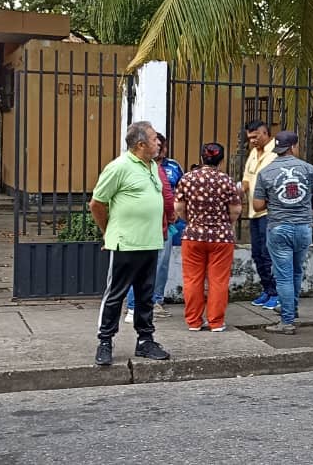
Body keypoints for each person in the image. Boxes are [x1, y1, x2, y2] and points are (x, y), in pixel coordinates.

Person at [91, 121, 171, 366]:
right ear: (140, 144)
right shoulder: (119, 167)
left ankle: (145, 340)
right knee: (115, 295)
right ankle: (105, 341)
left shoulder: (152, 167)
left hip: (150, 243)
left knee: (146, 295)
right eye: (154, 138)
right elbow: (97, 203)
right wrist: (108, 232)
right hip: (126, 243)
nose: (159, 142)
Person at [252, 131, 313, 334]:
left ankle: (287, 321)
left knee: (283, 276)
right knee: (295, 272)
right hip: (303, 228)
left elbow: (257, 205)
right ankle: (290, 309)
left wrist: (274, 199)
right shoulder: (307, 169)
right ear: (293, 147)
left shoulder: (265, 172)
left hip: (278, 228)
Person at [177, 143, 241, 332]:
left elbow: (179, 208)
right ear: (221, 160)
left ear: (202, 158)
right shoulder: (226, 180)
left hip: (193, 236)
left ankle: (194, 321)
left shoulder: (187, 179)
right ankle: (216, 322)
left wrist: (191, 220)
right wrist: (226, 223)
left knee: (192, 279)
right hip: (221, 238)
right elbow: (236, 210)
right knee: (218, 280)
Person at [125, 132, 181, 323]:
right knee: (142, 266)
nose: (159, 149)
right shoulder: (139, 168)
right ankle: (134, 306)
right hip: (145, 224)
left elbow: (177, 191)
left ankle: (156, 300)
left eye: (160, 145)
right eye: (156, 144)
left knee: (162, 263)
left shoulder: (172, 167)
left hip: (167, 224)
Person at [241, 120, 278, 309]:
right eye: (250, 138)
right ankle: (267, 289)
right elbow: (246, 181)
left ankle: (276, 292)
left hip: (271, 212)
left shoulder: (277, 152)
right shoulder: (253, 154)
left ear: (265, 133)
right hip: (254, 212)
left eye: (256, 136)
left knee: (268, 253)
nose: (253, 141)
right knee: (257, 254)